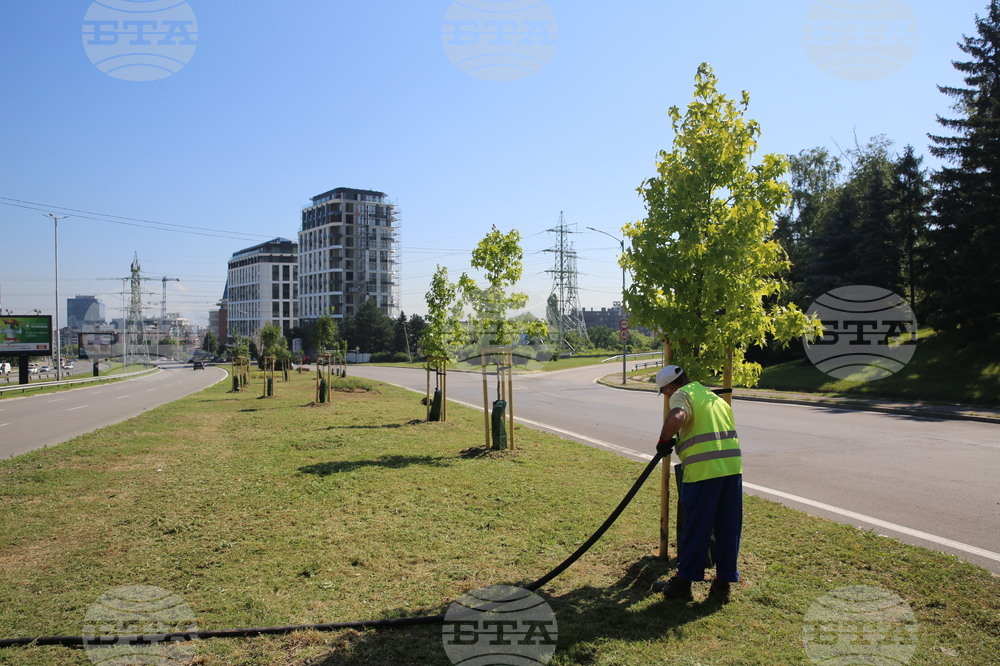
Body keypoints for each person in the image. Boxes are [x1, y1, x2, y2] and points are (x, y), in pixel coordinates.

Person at [651, 364, 742, 603]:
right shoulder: (715, 398)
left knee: (697, 528)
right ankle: (722, 586)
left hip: (704, 472)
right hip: (732, 470)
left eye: (666, 392)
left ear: (671, 387)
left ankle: (683, 583)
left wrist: (664, 440)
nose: (668, 397)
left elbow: (677, 416)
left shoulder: (683, 394)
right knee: (727, 528)